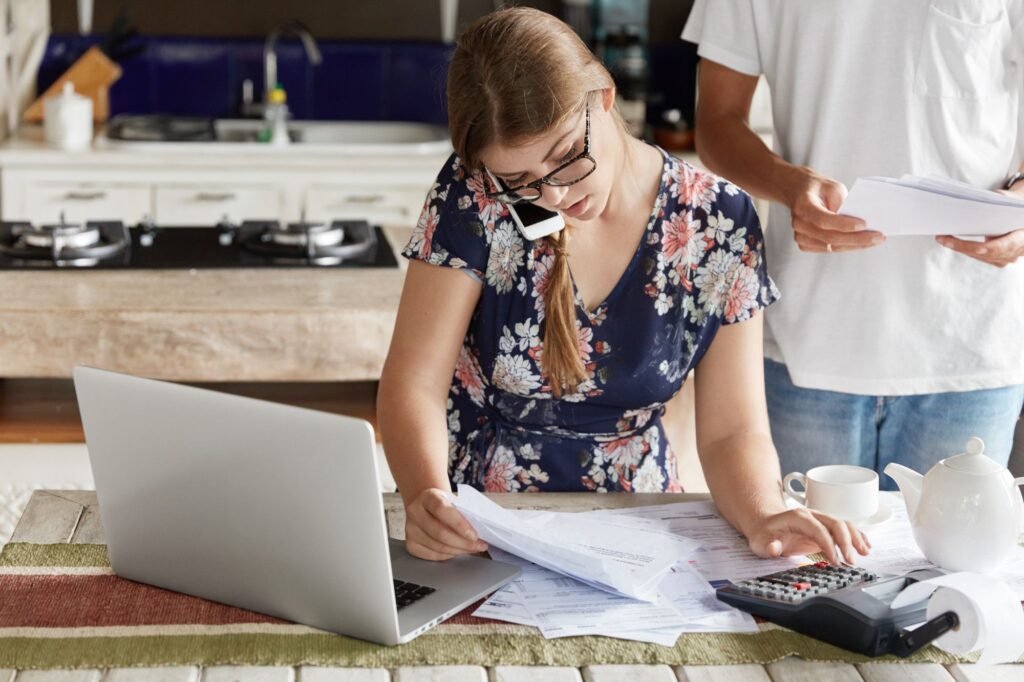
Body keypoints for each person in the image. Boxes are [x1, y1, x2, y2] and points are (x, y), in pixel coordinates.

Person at [377, 7, 869, 566]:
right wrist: (423, 496)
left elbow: (734, 429)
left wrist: (764, 514)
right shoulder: (474, 196)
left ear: (604, 96)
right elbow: (413, 382)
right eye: (520, 181)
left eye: (566, 158)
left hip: (642, 529)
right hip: (481, 525)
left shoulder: (716, 221)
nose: (554, 196)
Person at [683, 0, 1024, 488]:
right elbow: (716, 122)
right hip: (807, 342)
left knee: (953, 565)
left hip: (970, 348)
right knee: (807, 562)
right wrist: (786, 184)